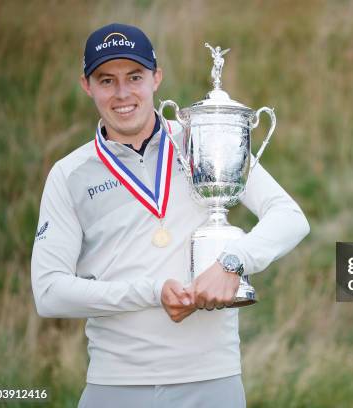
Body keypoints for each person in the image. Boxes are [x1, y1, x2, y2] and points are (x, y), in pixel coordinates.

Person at [30, 23, 309, 408]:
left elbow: (290, 217)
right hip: (115, 385)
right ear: (86, 85)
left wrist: (233, 262)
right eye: (106, 80)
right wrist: (151, 290)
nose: (123, 93)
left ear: (156, 78)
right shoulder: (69, 173)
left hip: (212, 381)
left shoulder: (203, 139)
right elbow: (49, 293)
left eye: (135, 77)